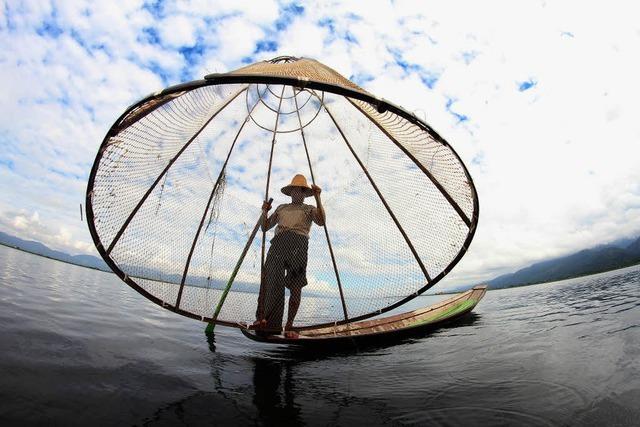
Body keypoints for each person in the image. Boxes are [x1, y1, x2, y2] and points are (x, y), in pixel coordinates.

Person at [254, 174, 325, 338]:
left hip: (298, 246)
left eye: (300, 190)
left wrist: (318, 198)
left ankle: (289, 325)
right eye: (294, 190)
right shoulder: (281, 208)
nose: (296, 193)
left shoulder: (309, 209)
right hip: (279, 243)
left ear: (304, 193)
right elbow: (264, 227)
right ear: (291, 192)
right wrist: (264, 211)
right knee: (270, 278)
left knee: (295, 286)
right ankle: (267, 321)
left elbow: (321, 221)